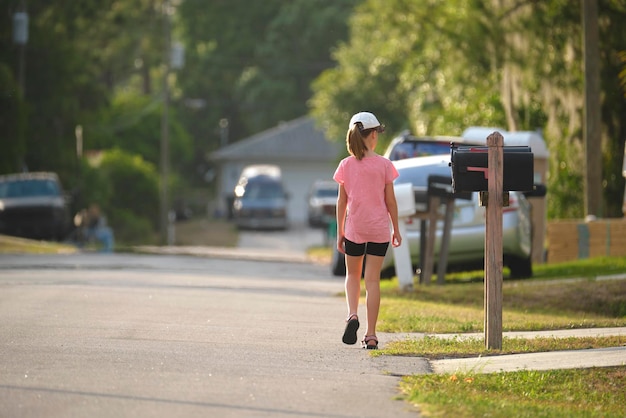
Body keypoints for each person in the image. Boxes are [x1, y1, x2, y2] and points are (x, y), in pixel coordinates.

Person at [333, 111, 402, 350]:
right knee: (372, 280)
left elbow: (342, 202)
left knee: (353, 275)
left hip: (355, 229)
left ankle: (352, 314)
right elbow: (391, 201)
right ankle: (371, 334)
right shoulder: (384, 165)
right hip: (379, 230)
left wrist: (340, 231)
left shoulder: (346, 165)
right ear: (373, 136)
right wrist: (396, 229)